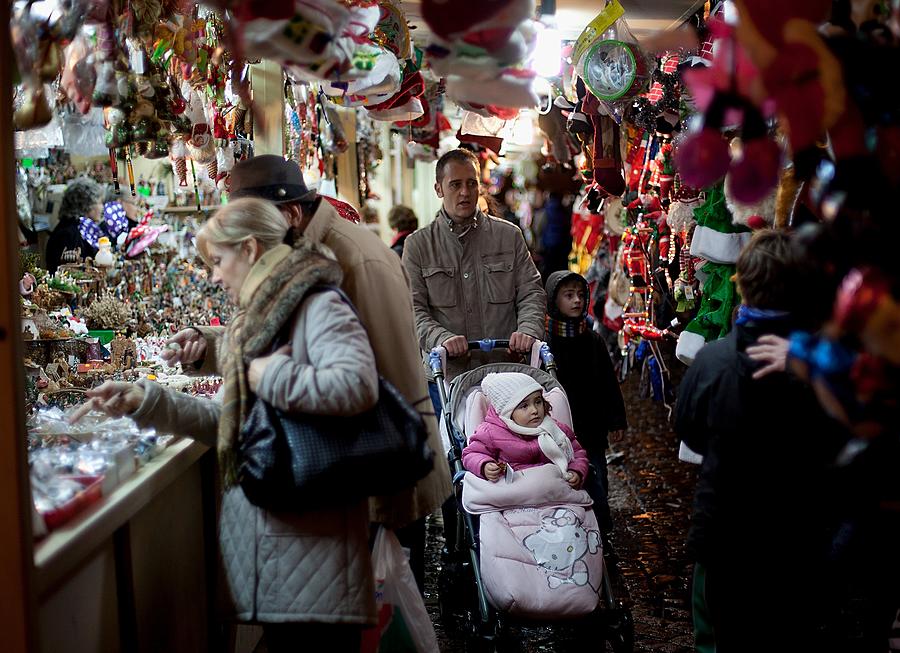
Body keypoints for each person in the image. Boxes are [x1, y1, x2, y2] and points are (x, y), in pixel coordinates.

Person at [75, 198, 377, 651]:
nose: (214, 275)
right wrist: (147, 400)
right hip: (280, 551)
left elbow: (357, 387)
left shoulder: (316, 304)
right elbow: (231, 421)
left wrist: (266, 374)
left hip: (311, 553)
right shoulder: (261, 316)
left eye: (218, 261)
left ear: (251, 249)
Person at [161, 155, 450, 592]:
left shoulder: (346, 258)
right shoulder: (309, 257)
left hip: (376, 472)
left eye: (254, 224)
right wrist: (211, 348)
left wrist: (375, 504)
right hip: (353, 470)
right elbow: (294, 345)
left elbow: (374, 377)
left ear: (291, 214)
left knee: (378, 614)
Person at [674, 230, 848, 653]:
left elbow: (688, 428)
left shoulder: (713, 361)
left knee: (725, 634)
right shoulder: (823, 367)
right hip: (799, 533)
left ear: (742, 285)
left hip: (726, 531)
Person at [402, 148, 547, 388]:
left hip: (507, 373)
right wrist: (442, 338)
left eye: (471, 184)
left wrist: (528, 330)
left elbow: (531, 292)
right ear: (438, 189)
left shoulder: (509, 236)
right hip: (448, 380)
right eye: (455, 184)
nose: (465, 192)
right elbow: (411, 310)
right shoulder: (418, 245)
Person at [543, 271, 627, 548]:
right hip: (557, 428)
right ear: (554, 300)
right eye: (569, 296)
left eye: (580, 295)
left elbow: (608, 382)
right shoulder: (545, 345)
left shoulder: (593, 340)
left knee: (596, 477)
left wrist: (616, 420)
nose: (577, 301)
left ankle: (601, 529)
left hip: (591, 427)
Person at [462, 372, 589, 488]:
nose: (534, 410)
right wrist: (484, 465)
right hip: (513, 494)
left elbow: (576, 453)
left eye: (538, 402)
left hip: (554, 490)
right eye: (524, 406)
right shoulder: (491, 432)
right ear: (508, 411)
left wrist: (576, 470)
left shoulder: (555, 429)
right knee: (490, 514)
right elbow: (471, 454)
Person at [45, 177, 105, 271]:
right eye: (100, 202)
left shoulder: (76, 228)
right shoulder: (69, 234)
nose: (102, 207)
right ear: (86, 204)